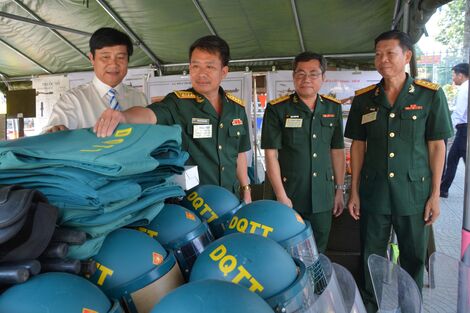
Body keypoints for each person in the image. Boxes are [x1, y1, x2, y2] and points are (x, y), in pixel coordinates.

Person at [344, 30, 453, 312]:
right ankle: (370, 306)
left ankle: (410, 307)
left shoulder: (430, 95)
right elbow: (358, 146)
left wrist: (435, 195)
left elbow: (437, 147)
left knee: (414, 258)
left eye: (390, 53)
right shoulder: (365, 99)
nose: (382, 60)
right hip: (374, 192)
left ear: (406, 56)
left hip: (414, 194)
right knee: (371, 256)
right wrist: (353, 190)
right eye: (378, 54)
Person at [94, 35, 252, 203]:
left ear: (224, 72)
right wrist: (124, 116)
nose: (201, 74)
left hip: (231, 197)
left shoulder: (236, 109)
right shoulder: (178, 103)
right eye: (195, 66)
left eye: (210, 67)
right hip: (195, 202)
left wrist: (246, 189)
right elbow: (149, 115)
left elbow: (240, 153)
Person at [261, 51, 345, 253]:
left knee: (320, 248)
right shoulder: (277, 109)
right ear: (293, 77)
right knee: (289, 250)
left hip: (323, 196)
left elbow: (337, 150)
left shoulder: (333, 108)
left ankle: (318, 286)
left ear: (323, 78)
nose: (306, 79)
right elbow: (271, 155)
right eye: (300, 74)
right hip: (290, 195)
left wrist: (339, 189)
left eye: (313, 74)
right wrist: (281, 196)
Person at [45, 27, 148, 132]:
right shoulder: (72, 100)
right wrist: (55, 131)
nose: (113, 64)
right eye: (105, 57)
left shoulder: (140, 98)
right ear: (92, 59)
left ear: (128, 61)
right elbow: (50, 135)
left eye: (120, 57)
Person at [440, 63, 469, 198]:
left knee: (459, 158)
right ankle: (443, 189)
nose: (453, 78)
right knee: (452, 158)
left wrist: (447, 127)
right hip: (463, 130)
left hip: (464, 129)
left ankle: (443, 188)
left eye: (453, 75)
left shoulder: (464, 88)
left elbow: (459, 112)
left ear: (460, 75)